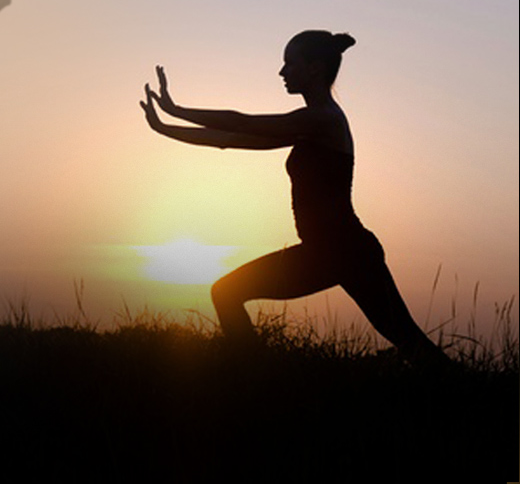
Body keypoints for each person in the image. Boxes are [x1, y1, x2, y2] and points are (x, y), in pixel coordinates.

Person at [139, 30, 446, 363]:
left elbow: (243, 123)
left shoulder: (323, 119)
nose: (282, 72)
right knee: (227, 292)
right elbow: (230, 137)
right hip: (326, 252)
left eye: (289, 63)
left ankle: (254, 375)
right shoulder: (307, 126)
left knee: (410, 342)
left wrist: (177, 109)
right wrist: (164, 127)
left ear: (314, 68)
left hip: (348, 251)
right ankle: (255, 374)